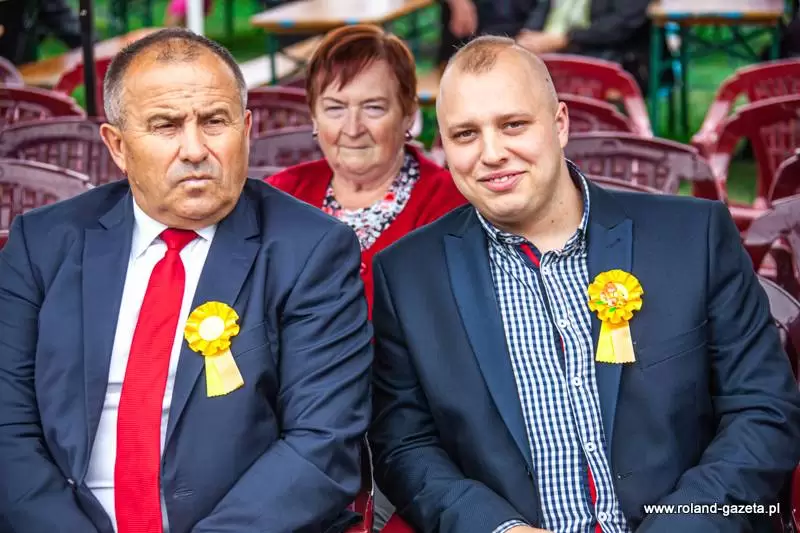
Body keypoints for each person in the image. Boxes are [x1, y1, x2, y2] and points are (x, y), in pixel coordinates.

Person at [369, 35, 800, 533]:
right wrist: (496, 528)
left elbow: (764, 410)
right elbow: (405, 444)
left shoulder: (692, 237)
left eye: (513, 125)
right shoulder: (407, 276)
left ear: (560, 124)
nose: (492, 153)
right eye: (465, 134)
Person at [0, 28, 372, 533]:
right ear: (117, 146)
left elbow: (321, 444)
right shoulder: (43, 244)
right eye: (166, 125)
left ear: (245, 129)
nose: (195, 149)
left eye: (214, 121)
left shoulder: (310, 250)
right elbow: (8, 429)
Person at [267, 24, 466, 316]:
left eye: (373, 108)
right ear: (314, 117)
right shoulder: (280, 194)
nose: (353, 129)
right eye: (335, 108)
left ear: (408, 116)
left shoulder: (448, 205)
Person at [515, 0, 651, 89]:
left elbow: (621, 23)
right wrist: (529, 33)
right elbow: (541, 8)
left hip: (600, 53)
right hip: (544, 49)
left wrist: (567, 39)